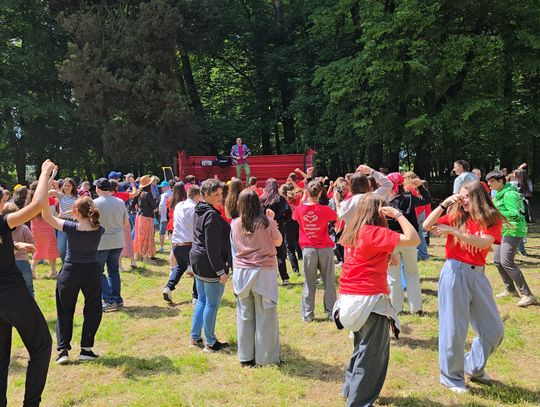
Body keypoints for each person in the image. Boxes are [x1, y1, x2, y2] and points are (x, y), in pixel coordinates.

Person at [335, 193, 420, 407]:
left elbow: (365, 255)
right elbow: (414, 239)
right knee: (372, 356)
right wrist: (398, 214)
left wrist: (387, 254)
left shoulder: (353, 230)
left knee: (361, 347)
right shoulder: (375, 232)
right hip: (370, 300)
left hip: (349, 297)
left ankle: (350, 389)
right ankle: (359, 402)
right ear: (380, 212)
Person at [423, 181, 505, 394]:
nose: (462, 200)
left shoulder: (492, 218)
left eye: (466, 196)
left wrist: (454, 231)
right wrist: (444, 204)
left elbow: (483, 243)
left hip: (478, 274)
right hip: (454, 272)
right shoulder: (456, 214)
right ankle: (451, 377)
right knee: (454, 329)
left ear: (478, 197)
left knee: (494, 330)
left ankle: (473, 367)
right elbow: (426, 226)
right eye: (460, 196)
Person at [0, 159, 55, 407]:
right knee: (41, 345)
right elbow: (37, 205)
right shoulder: (3, 222)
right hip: (12, 294)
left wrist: (13, 245)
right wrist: (44, 174)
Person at [41, 196, 105, 364]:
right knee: (93, 309)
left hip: (70, 271)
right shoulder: (99, 229)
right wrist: (76, 212)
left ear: (76, 211)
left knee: (65, 310)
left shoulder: (70, 227)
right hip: (91, 271)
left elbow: (46, 216)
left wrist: (46, 194)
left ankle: (63, 351)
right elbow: (89, 220)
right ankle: (86, 349)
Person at [231, 190, 282, 366]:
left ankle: (245, 357)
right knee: (266, 315)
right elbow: (278, 241)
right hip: (263, 272)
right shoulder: (266, 222)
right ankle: (266, 359)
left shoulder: (235, 223)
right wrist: (272, 221)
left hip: (242, 272)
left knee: (244, 315)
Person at [190, 179, 231, 352]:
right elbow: (212, 247)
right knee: (211, 304)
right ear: (206, 195)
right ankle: (210, 342)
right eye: (216, 194)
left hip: (198, 260)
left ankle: (195, 337)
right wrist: (221, 270)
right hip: (209, 263)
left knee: (202, 300)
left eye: (221, 194)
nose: (220, 197)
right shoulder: (211, 216)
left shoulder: (199, 209)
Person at [486, 171, 537, 307]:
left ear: (501, 181)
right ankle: (510, 290)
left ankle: (528, 295)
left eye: (492, 181)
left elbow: (515, 214)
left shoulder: (510, 194)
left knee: (507, 262)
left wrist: (494, 212)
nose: (489, 184)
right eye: (488, 181)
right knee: (497, 261)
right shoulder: (499, 194)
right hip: (503, 230)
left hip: (514, 230)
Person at [293, 180, 337, 322]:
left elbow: (295, 217)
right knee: (329, 281)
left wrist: (303, 200)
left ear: (307, 192)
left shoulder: (299, 210)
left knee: (309, 282)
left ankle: (308, 314)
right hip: (325, 248)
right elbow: (337, 217)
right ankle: (331, 312)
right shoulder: (325, 209)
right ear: (320, 193)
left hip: (308, 249)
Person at [386, 172, 430, 315]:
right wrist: (420, 186)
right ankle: (416, 308)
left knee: (393, 276)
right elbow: (426, 200)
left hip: (392, 240)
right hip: (409, 239)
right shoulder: (409, 198)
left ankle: (396, 308)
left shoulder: (385, 201)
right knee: (412, 274)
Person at [93, 178, 129, 313]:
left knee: (97, 272)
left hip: (102, 242)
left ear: (98, 188)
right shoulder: (119, 201)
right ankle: (117, 299)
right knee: (113, 270)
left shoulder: (95, 203)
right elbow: (125, 222)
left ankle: (109, 300)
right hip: (118, 240)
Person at [163, 185, 200, 303]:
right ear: (197, 196)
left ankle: (168, 287)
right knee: (197, 270)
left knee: (180, 267)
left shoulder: (179, 205)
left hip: (176, 243)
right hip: (189, 243)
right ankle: (196, 296)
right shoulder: (195, 208)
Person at [260, 178, 291, 285]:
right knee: (280, 253)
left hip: (264, 228)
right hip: (278, 227)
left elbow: (258, 214)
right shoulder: (281, 199)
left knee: (266, 253)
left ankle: (267, 277)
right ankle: (284, 278)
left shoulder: (262, 199)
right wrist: (281, 221)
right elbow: (289, 214)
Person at [2, 203, 36, 297]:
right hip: (22, 262)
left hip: (7, 263)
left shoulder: (3, 228)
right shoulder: (24, 228)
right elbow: (32, 245)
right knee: (29, 288)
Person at [26, 182, 59, 279]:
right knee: (51, 247)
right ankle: (53, 272)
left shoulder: (31, 200)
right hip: (47, 225)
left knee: (38, 248)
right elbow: (57, 200)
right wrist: (56, 188)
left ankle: (32, 270)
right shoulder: (45, 198)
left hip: (35, 225)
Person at [109, 180, 138, 271]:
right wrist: (132, 184)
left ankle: (120, 266)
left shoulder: (106, 197)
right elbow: (135, 193)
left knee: (117, 244)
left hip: (112, 223)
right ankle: (132, 261)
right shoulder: (121, 195)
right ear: (116, 187)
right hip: (124, 221)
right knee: (128, 240)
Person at [49, 177, 78, 263]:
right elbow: (47, 192)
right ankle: (65, 264)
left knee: (72, 247)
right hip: (62, 223)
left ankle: (70, 265)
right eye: (65, 185)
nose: (66, 187)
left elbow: (79, 210)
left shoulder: (77, 197)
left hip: (74, 223)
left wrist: (66, 212)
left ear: (73, 187)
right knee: (60, 248)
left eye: (69, 186)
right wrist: (52, 178)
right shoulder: (60, 195)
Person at [133, 176, 159, 264]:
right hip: (147, 218)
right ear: (148, 185)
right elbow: (154, 206)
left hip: (139, 217)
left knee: (140, 237)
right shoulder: (148, 194)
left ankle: (138, 256)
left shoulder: (139, 193)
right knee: (147, 237)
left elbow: (132, 205)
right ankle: (146, 258)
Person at [158, 181, 172, 253]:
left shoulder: (164, 195)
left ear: (166, 187)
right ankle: (172, 247)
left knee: (162, 232)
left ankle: (161, 248)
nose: (161, 188)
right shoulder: (173, 193)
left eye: (162, 187)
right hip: (171, 216)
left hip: (164, 216)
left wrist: (160, 211)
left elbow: (161, 204)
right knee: (172, 232)